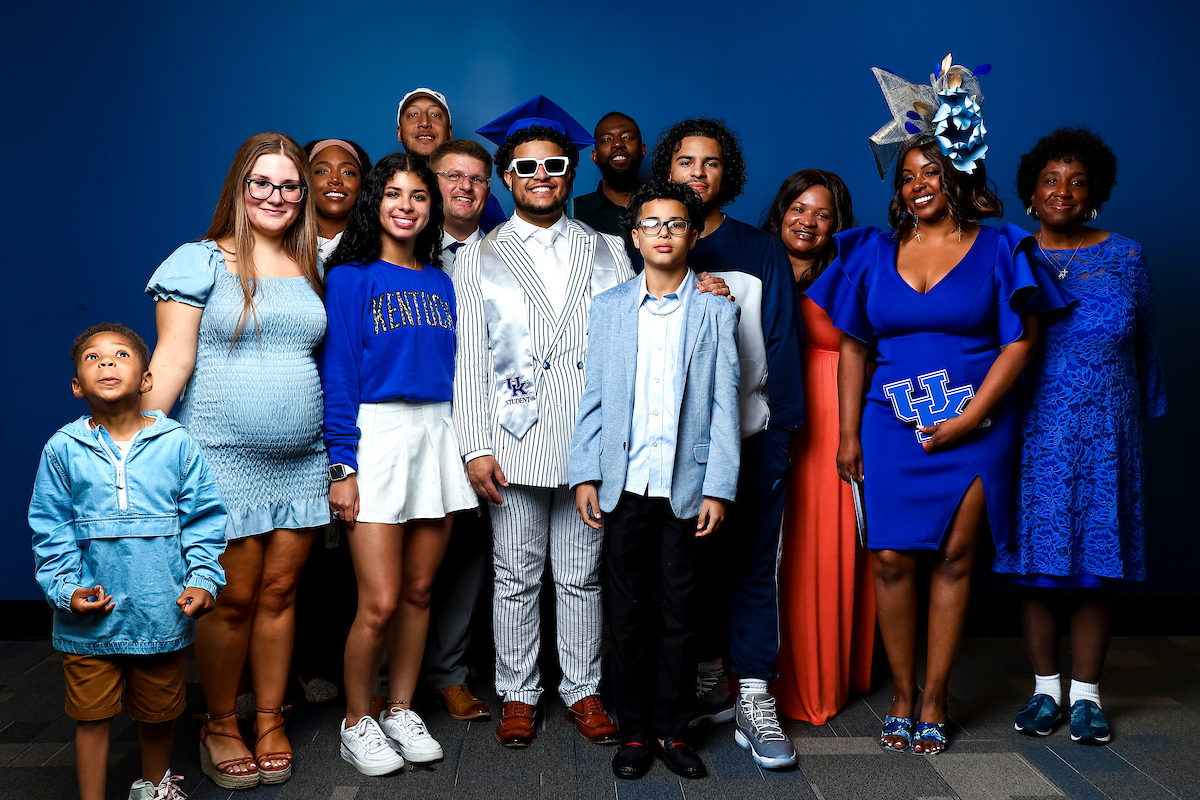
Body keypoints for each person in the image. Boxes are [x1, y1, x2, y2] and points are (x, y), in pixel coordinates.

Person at [807, 56, 1072, 755]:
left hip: (976, 422)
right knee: (890, 559)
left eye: (931, 171)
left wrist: (970, 418)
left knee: (955, 558)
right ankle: (901, 692)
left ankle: (934, 697)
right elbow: (854, 347)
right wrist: (848, 435)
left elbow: (1021, 341)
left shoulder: (1001, 246)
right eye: (907, 176)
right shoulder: (870, 252)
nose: (918, 184)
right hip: (890, 423)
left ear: (957, 172)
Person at [144, 131, 329, 787]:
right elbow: (172, 360)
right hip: (219, 460)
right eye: (263, 183)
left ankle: (270, 718)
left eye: (290, 185)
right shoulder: (198, 261)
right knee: (231, 599)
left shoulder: (312, 263)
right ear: (239, 188)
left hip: (302, 462)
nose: (276, 196)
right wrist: (128, 448)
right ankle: (220, 722)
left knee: (280, 595)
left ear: (302, 194)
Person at [456, 95, 634, 748]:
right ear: (507, 176)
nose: (541, 176)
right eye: (527, 167)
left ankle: (582, 688)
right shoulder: (479, 255)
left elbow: (628, 347)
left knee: (582, 575)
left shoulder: (609, 250)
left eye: (554, 165)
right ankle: (518, 692)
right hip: (513, 437)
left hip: (587, 440)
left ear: (571, 173)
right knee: (515, 575)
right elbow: (469, 360)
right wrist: (475, 446)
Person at [994, 128, 1166, 745]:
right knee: (1037, 566)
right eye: (1050, 180)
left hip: (1104, 436)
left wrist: (1139, 414)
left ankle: (1088, 696)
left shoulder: (1127, 256)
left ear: (1094, 194)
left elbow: (1147, 343)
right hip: (1032, 431)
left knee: (1097, 565)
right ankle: (1045, 690)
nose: (1062, 190)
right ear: (1031, 193)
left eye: (1076, 181)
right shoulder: (1010, 252)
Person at [570, 180, 741, 780]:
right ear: (635, 237)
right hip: (623, 483)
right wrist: (585, 473)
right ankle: (636, 731)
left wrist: (718, 486)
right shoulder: (610, 307)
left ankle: (672, 729)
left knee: (680, 612)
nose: (663, 232)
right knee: (627, 613)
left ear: (693, 236)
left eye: (676, 223)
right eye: (651, 223)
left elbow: (724, 404)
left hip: (685, 486)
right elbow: (593, 398)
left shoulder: (716, 310)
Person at [650, 117, 803, 769]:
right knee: (682, 573)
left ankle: (755, 697)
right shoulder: (650, 241)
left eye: (710, 163)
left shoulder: (760, 249)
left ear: (727, 173)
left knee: (752, 567)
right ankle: (701, 685)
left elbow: (782, 342)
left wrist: (783, 430)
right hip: (670, 449)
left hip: (753, 435)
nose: (697, 173)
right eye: (686, 162)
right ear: (668, 170)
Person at [321, 152, 478, 775]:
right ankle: (356, 721)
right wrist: (342, 464)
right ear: (375, 203)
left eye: (418, 195)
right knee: (380, 601)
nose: (406, 206)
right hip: (376, 433)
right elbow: (339, 373)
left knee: (418, 592)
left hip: (436, 431)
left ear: (431, 207)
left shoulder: (442, 281)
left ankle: (401, 709)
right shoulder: (351, 277)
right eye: (393, 193)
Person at [30, 323, 227, 800]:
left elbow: (203, 518)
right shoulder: (62, 449)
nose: (106, 362)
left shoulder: (177, 443)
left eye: (120, 354)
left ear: (146, 379)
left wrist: (203, 578)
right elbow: (51, 528)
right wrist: (66, 590)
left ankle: (154, 788)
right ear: (77, 386)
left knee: (159, 713)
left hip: (159, 612)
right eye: (92, 358)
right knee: (92, 716)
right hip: (88, 622)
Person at [762, 170, 876, 725]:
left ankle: (816, 679)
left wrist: (851, 435)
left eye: (822, 213)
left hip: (833, 419)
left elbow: (865, 351)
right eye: (799, 208)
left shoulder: (851, 269)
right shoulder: (753, 264)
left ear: (838, 223)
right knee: (764, 550)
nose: (808, 221)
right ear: (781, 210)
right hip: (763, 415)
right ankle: (753, 680)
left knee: (818, 549)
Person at [419, 137, 496, 723]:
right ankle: (381, 680)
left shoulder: (505, 254)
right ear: (431, 182)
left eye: (476, 178)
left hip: (483, 422)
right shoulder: (404, 249)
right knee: (399, 554)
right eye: (452, 176)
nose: (464, 187)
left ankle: (449, 672)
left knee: (469, 554)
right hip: (413, 417)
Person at [396, 87, 506, 233]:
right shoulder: (383, 190)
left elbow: (503, 242)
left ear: (449, 132)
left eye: (435, 115)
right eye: (413, 115)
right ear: (399, 132)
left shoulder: (475, 196)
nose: (424, 123)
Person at [573, 111, 646, 264]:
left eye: (627, 137)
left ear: (643, 150)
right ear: (594, 156)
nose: (618, 144)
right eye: (607, 139)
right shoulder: (573, 213)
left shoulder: (666, 205)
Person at [304, 139, 373, 261]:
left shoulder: (376, 250)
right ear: (304, 180)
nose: (335, 180)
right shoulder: (283, 243)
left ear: (362, 183)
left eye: (348, 173)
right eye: (322, 171)